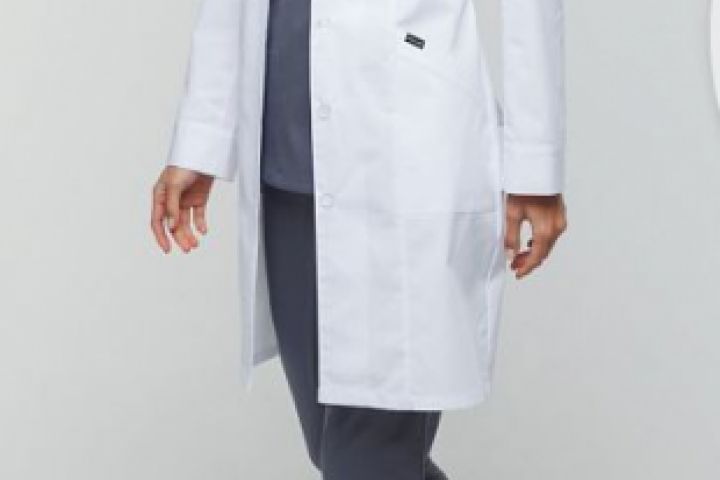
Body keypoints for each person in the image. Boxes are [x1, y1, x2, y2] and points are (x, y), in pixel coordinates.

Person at [150, 0, 567, 478]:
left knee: (365, 458)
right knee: (339, 450)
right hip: (286, 162)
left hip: (407, 152)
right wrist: (201, 138)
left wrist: (536, 165)